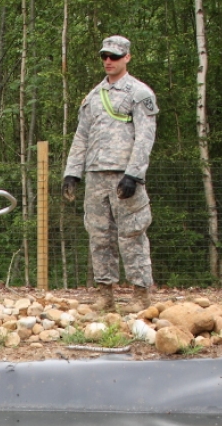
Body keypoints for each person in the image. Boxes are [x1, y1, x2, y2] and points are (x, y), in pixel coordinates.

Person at [62, 36, 159, 313]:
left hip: (124, 174)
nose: (108, 61)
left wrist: (134, 174)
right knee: (99, 235)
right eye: (105, 56)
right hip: (95, 175)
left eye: (114, 57)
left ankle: (141, 294)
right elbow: (81, 136)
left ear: (127, 57)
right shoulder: (93, 97)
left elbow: (145, 137)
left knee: (132, 234)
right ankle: (105, 294)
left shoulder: (139, 93)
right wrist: (72, 173)